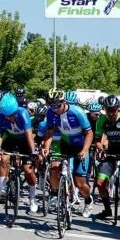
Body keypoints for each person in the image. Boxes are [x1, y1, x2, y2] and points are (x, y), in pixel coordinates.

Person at [42, 89, 95, 217]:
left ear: (64, 102)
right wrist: (46, 147)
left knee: (79, 183)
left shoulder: (77, 112)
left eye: (57, 106)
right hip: (65, 144)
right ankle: (55, 194)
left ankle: (88, 200)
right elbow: (49, 132)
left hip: (80, 146)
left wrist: (85, 150)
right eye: (52, 106)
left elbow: (89, 133)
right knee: (54, 168)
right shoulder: (50, 112)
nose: (55, 109)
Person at [93, 95, 120, 217]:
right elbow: (97, 140)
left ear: (118, 108)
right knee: (100, 182)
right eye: (108, 110)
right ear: (105, 109)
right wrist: (101, 149)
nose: (111, 113)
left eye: (114, 109)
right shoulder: (101, 120)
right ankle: (107, 210)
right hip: (110, 151)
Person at [0, 93, 38, 214]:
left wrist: (33, 151)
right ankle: (2, 189)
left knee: (29, 171)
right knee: (3, 159)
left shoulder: (23, 113)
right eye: (6, 116)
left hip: (24, 140)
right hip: (10, 139)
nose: (9, 118)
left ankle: (32, 197)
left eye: (11, 115)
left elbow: (29, 134)